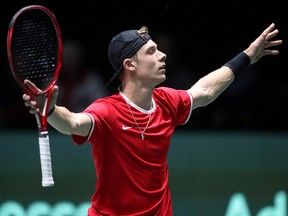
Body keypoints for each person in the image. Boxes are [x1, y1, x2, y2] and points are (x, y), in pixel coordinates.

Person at [22, 23, 282, 215]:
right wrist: (52, 110)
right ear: (130, 65)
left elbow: (204, 91)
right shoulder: (108, 111)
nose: (162, 55)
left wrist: (247, 55)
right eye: (152, 51)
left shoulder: (167, 102)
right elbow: (73, 123)